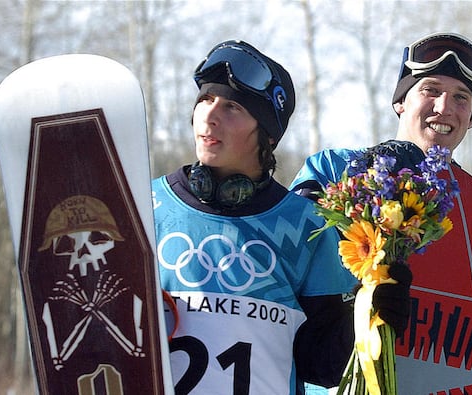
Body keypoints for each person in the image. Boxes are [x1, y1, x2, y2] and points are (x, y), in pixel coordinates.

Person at [291, 32, 472, 395]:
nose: (444, 107)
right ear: (400, 102)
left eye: (461, 97)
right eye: (430, 90)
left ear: (471, 118)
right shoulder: (333, 169)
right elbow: (291, 269)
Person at [152, 40, 409, 394]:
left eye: (231, 107)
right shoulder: (145, 207)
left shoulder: (306, 225)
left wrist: (371, 317)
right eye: (205, 100)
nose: (210, 116)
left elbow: (321, 365)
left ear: (267, 136)